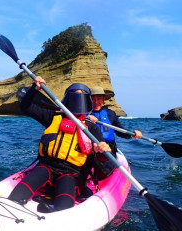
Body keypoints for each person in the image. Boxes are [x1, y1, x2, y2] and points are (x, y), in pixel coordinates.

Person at [7, 76, 111, 212]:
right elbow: (26, 107)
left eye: (81, 96)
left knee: (64, 206)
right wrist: (34, 89)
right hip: (46, 167)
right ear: (68, 98)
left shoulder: (91, 128)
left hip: (72, 174)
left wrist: (102, 150)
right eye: (74, 96)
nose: (77, 101)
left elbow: (102, 159)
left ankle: (53, 216)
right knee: (16, 196)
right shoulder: (53, 117)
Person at [88, 86, 142, 179]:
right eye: (93, 99)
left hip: (108, 149)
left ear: (104, 99)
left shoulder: (110, 113)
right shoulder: (84, 113)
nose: (96, 102)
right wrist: (86, 118)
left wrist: (133, 134)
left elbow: (119, 130)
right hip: (88, 149)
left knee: (104, 172)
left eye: (99, 98)